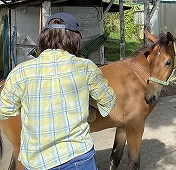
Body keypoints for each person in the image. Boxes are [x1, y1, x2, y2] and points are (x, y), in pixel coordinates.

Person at [0, 12, 116, 169]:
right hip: (78, 156)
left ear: (43, 38)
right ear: (75, 39)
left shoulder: (20, 72)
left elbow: (5, 111)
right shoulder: (86, 67)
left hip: (36, 162)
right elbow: (108, 100)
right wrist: (88, 106)